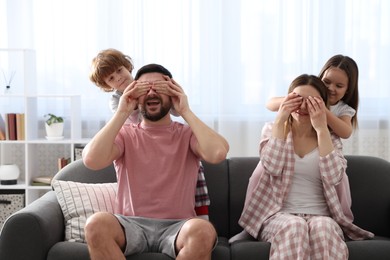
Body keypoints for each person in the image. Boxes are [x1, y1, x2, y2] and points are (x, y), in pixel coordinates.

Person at [82, 63, 229, 259]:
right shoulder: (125, 134)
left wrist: (185, 110)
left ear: (172, 93)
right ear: (134, 95)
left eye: (159, 88)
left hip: (178, 227)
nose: (151, 92)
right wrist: (122, 112)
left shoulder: (187, 134)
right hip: (129, 224)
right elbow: (91, 160)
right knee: (95, 224)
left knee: (203, 230)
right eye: (144, 88)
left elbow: (218, 153)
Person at [234, 74, 373, 259]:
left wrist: (322, 129)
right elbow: (272, 167)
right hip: (278, 216)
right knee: (294, 226)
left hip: (322, 216)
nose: (302, 107)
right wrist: (280, 120)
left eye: (311, 102)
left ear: (322, 106)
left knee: (323, 228)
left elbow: (334, 177)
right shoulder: (272, 129)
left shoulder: (331, 138)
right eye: (297, 100)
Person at [89, 48, 210, 219]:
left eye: (119, 71)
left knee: (196, 169)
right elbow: (121, 125)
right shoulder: (118, 101)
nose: (118, 78)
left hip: (166, 139)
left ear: (127, 66)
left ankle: (202, 217)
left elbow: (175, 112)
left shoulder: (147, 83)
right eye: (111, 78)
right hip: (138, 144)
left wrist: (171, 96)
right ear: (107, 86)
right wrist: (131, 103)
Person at [266, 54, 359, 139]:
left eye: (339, 86)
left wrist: (323, 110)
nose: (330, 88)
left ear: (348, 89)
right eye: (326, 82)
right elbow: (269, 104)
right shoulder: (306, 96)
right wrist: (291, 100)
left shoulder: (343, 109)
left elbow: (346, 133)